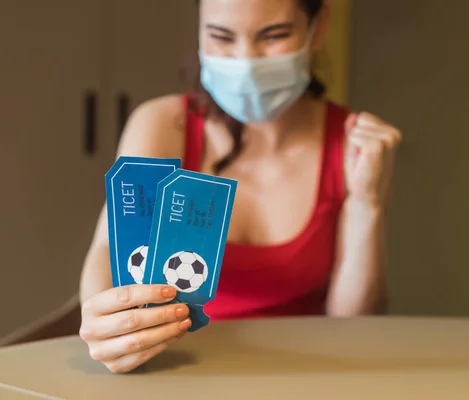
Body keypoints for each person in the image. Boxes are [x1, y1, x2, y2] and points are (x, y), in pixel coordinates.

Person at [78, 0, 402, 373]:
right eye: (221, 37)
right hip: (176, 371)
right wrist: (113, 332)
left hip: (305, 374)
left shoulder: (351, 145)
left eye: (274, 35)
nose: (246, 61)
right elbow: (110, 250)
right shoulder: (164, 126)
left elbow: (354, 326)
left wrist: (368, 203)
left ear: (319, 26)